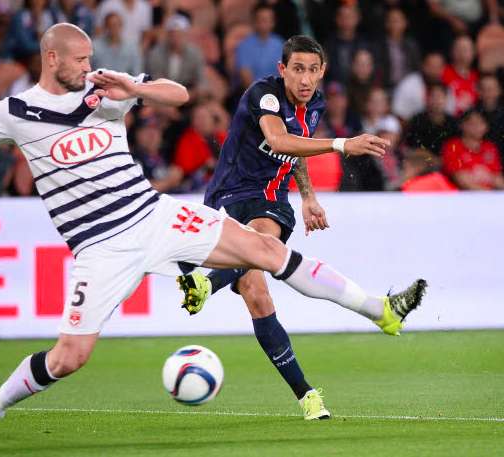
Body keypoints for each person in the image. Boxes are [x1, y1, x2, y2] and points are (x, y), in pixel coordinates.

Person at [0, 24, 426, 437]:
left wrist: (132, 87)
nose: (88, 68)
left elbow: (180, 93)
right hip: (100, 247)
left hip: (155, 213)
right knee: (70, 358)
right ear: (51, 59)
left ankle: (380, 310)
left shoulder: (101, 90)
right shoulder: (13, 113)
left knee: (266, 251)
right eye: (80, 61)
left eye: (92, 61)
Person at [175, 35, 425, 421]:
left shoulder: (314, 104)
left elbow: (296, 147)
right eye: (297, 69)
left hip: (270, 201)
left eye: (312, 70)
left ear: (322, 71)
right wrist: (342, 145)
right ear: (282, 70)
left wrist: (308, 196)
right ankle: (319, 372)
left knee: (261, 246)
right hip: (227, 196)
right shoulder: (265, 95)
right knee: (257, 294)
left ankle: (209, 284)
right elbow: (278, 138)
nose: (305, 79)